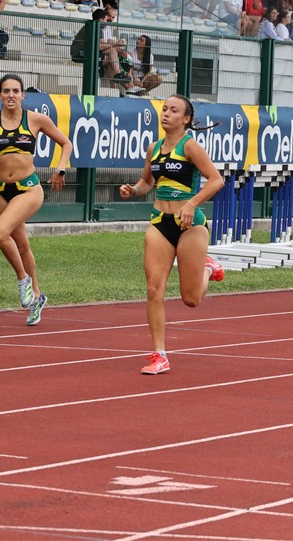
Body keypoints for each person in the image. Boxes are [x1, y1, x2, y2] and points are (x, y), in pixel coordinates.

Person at [117, 95, 225, 375]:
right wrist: (133, 190)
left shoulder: (190, 146)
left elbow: (216, 180)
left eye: (173, 110)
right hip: (159, 223)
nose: (166, 113)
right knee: (154, 289)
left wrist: (191, 204)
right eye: (164, 109)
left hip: (190, 226)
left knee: (191, 299)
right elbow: (147, 182)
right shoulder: (153, 148)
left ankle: (208, 269)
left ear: (186, 119)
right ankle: (160, 355)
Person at [0, 75, 73, 326]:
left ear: (23, 95)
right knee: (22, 246)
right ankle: (37, 296)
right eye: (6, 91)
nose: (11, 95)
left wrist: (60, 169)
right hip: (0, 190)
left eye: (15, 91)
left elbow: (66, 143)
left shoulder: (35, 119)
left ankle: (22, 280)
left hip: (28, 190)